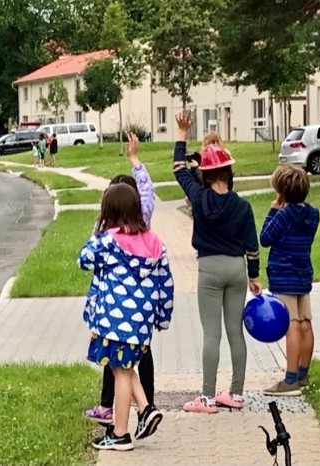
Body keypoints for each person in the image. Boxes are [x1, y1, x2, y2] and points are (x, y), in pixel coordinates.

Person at [173, 111, 263, 414]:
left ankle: (208, 398)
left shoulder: (198, 198)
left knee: (212, 334)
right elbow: (252, 246)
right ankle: (236, 394)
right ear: (228, 172)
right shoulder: (243, 205)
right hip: (236, 270)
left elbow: (177, 169)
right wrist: (253, 276)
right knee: (235, 332)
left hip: (209, 270)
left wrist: (182, 133)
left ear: (208, 173)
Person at [79, 182, 174, 451]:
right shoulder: (155, 242)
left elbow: (83, 258)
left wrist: (100, 231)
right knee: (124, 366)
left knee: (121, 372)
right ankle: (145, 409)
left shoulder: (108, 241)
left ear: (109, 212)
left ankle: (120, 434)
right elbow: (166, 283)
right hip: (141, 321)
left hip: (113, 319)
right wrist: (163, 316)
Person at [83, 133, 158, 426]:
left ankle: (117, 415)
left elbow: (88, 262)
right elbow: (149, 192)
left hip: (112, 309)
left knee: (116, 362)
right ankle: (145, 405)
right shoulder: (145, 228)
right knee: (138, 357)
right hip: (142, 308)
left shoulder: (105, 236)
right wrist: (135, 159)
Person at [260, 164, 320, 396]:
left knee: (291, 325)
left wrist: (274, 210)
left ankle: (290, 378)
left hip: (283, 275)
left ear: (281, 192)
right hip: (303, 273)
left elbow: (265, 238)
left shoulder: (284, 215)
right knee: (305, 322)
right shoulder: (313, 213)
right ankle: (303, 373)